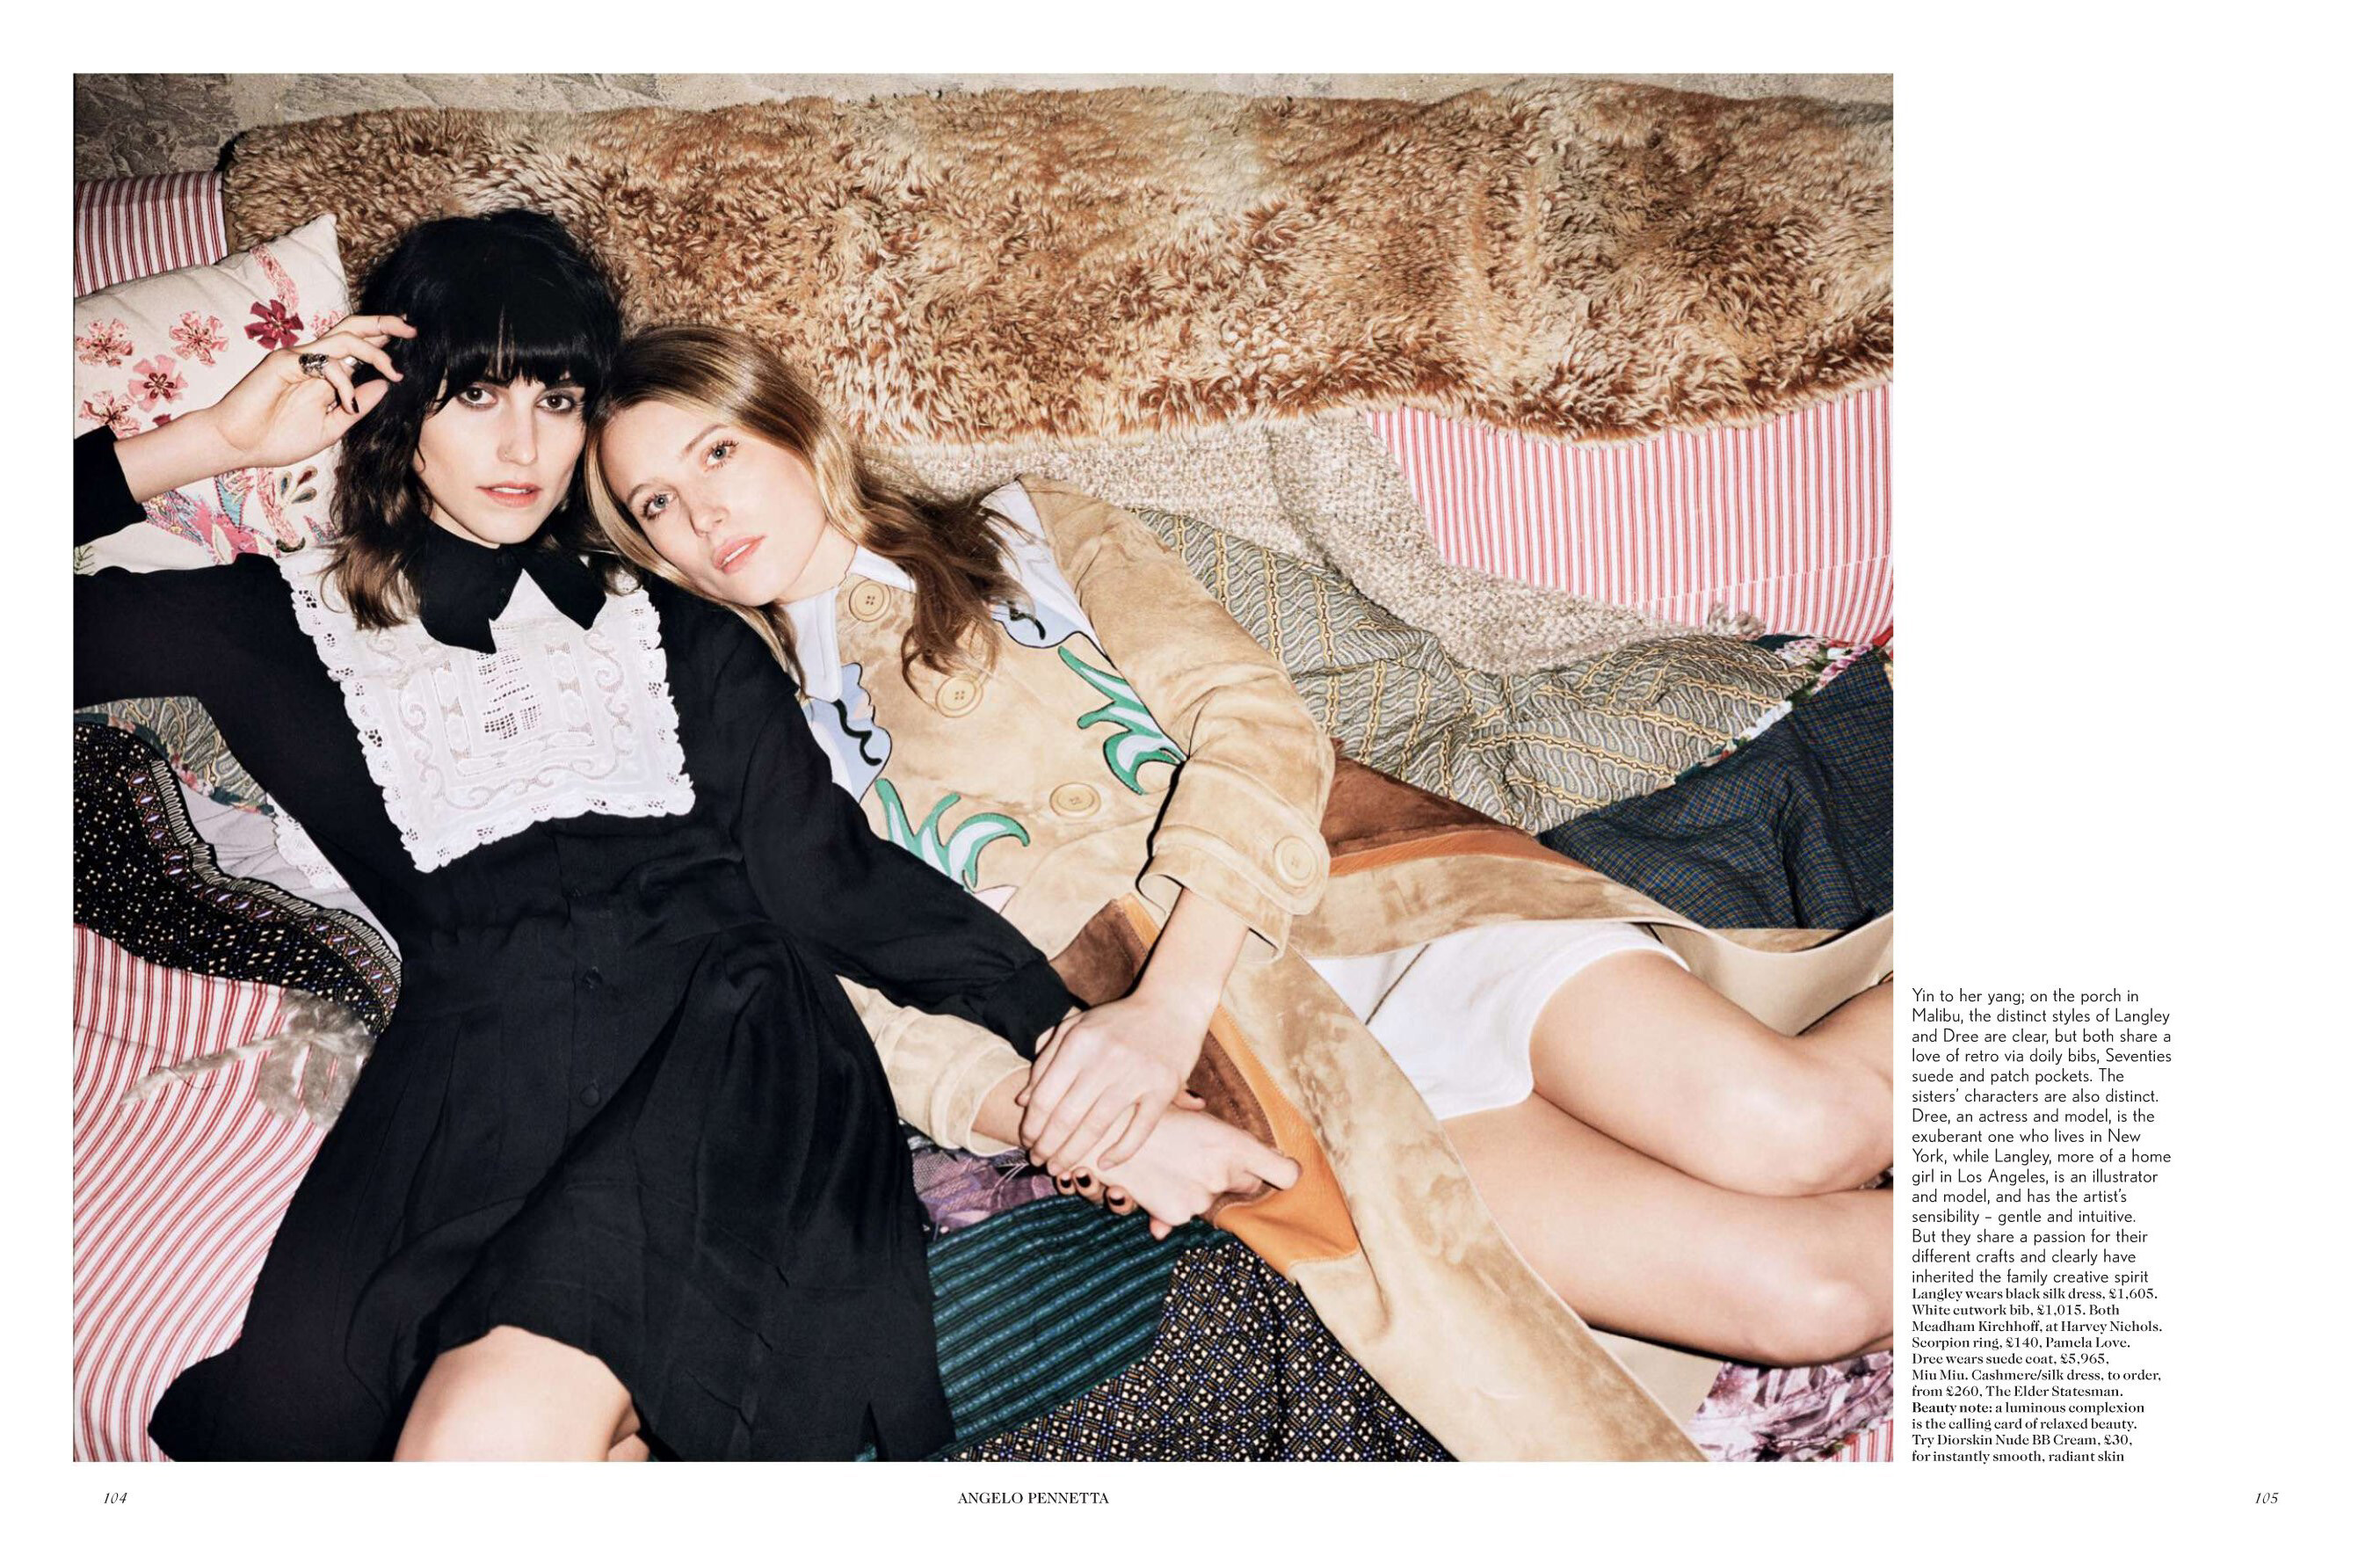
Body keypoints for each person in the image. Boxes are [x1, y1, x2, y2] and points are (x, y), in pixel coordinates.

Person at [584, 325, 1899, 1458]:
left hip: (1369, 903)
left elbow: (1256, 722)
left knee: (1799, 1129)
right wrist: (1063, 1116)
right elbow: (854, 1018)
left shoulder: (1027, 530)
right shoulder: (746, 746)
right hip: (1280, 1078)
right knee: (1807, 1297)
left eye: (716, 452)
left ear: (794, 427)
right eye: (654, 503)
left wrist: (1165, 1005)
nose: (701, 514)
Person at [72, 211, 1096, 1462]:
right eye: (476, 394)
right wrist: (212, 442)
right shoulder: (276, 623)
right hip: (465, 1102)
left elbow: (833, 881)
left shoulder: (680, 626)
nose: (523, 445)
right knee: (323, 1422)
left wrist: (1067, 1043)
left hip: (728, 1048)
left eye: (557, 400)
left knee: (476, 1448)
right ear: (395, 403)